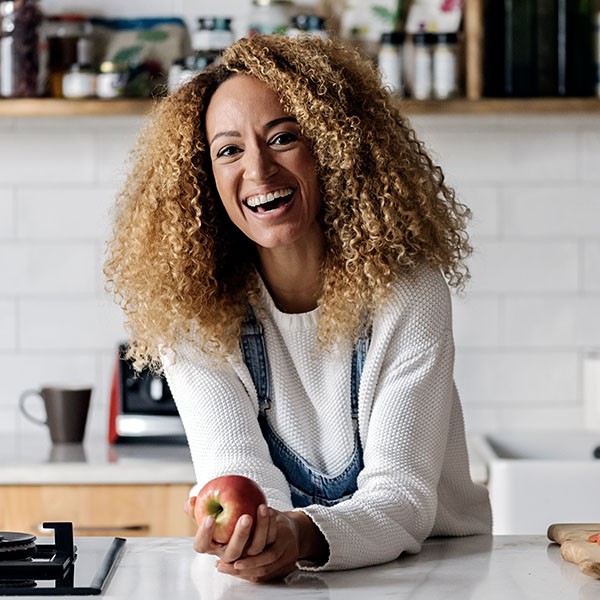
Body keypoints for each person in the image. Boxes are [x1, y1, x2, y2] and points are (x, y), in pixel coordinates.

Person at [104, 34, 492, 582]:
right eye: (229, 150)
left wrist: (297, 536)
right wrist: (253, 537)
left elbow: (404, 496)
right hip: (294, 580)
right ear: (204, 179)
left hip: (441, 572)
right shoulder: (191, 310)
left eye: (283, 137)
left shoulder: (408, 290)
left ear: (332, 149)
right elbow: (236, 470)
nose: (259, 171)